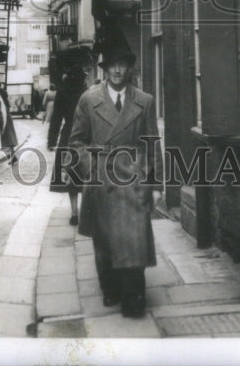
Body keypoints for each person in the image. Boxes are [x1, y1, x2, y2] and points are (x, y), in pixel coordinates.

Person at [69, 43, 163, 319]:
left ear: (130, 68)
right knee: (105, 243)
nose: (117, 70)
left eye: (122, 64)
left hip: (133, 181)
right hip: (102, 181)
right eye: (112, 65)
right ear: (105, 69)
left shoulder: (144, 101)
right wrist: (94, 165)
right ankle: (109, 286)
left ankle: (135, 298)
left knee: (133, 243)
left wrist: (155, 184)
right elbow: (76, 142)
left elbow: (152, 143)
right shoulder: (89, 99)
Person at [48, 65, 88, 225]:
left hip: (68, 136)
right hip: (86, 135)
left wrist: (51, 141)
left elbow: (56, 119)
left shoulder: (62, 92)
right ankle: (86, 211)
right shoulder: (88, 93)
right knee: (87, 174)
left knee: (71, 174)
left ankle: (74, 213)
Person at [0, 79, 18, 163]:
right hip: (6, 114)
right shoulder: (2, 92)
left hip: (1, 115)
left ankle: (11, 156)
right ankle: (13, 156)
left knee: (4, 138)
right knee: (8, 138)